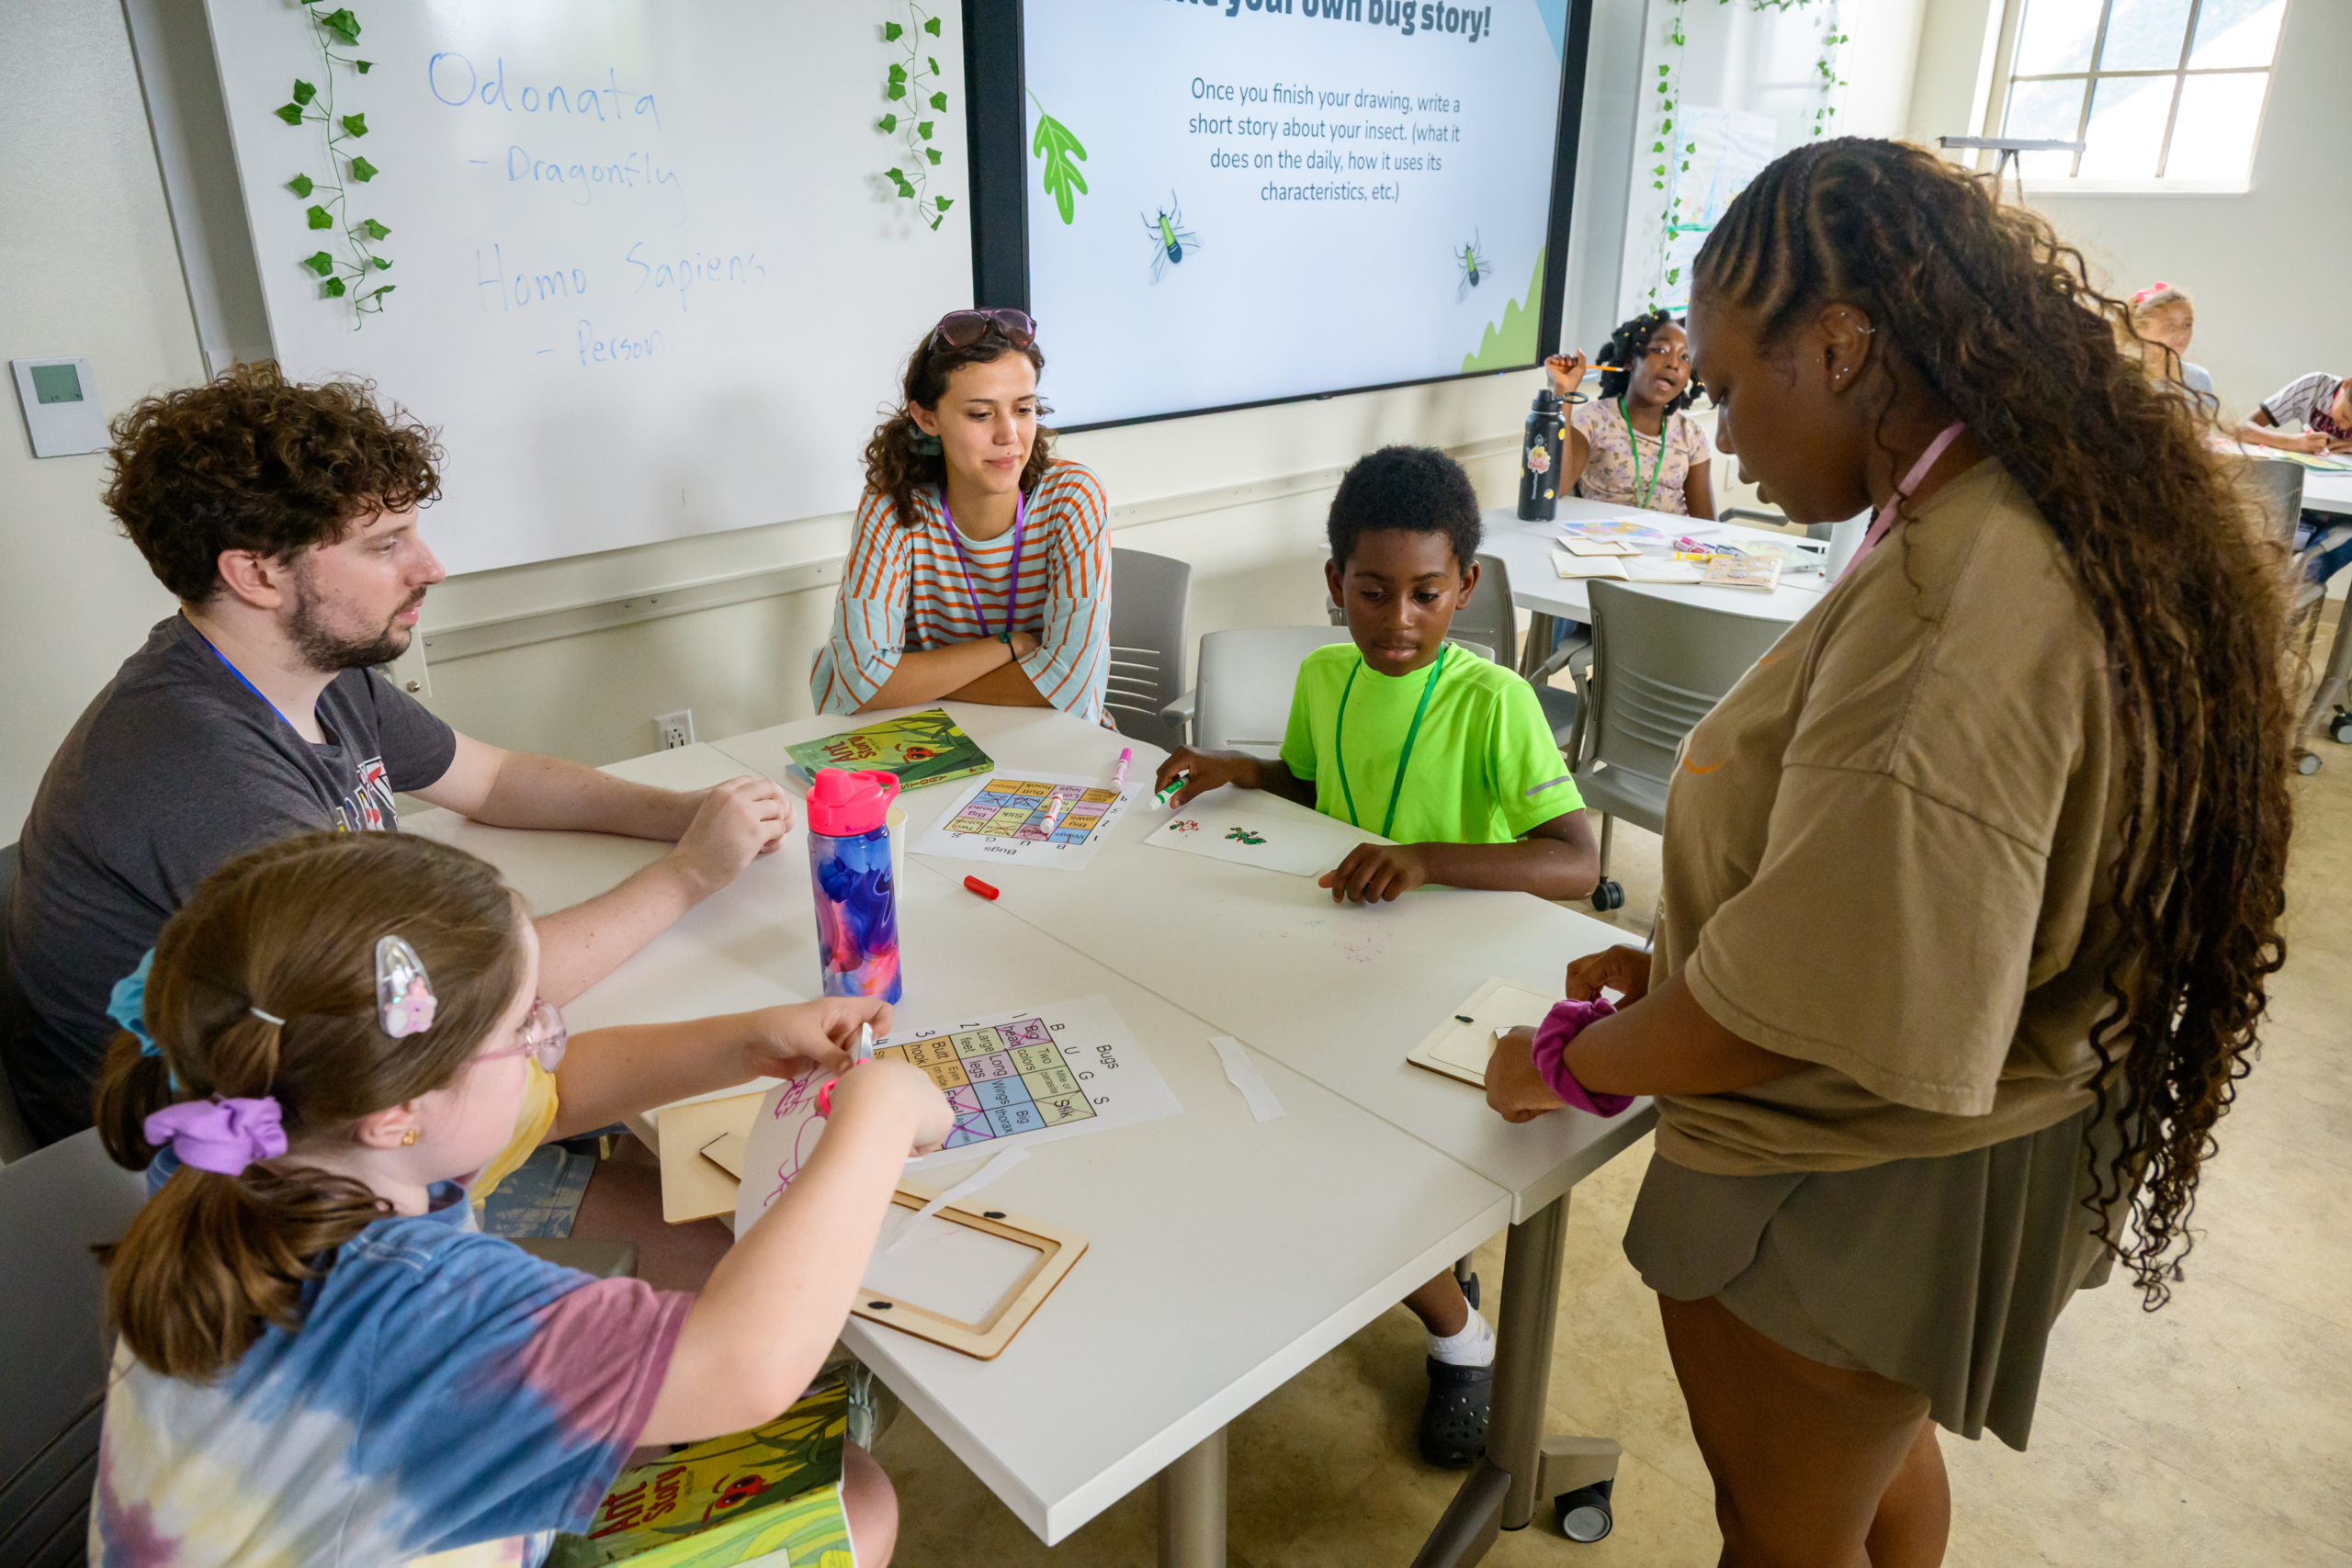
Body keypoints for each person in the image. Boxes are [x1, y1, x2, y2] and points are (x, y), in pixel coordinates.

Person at [1483, 138, 2294, 1565]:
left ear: (1844, 344)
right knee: (1863, 1476)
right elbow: (1886, 875)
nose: (1722, 437)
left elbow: (1819, 1005)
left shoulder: (1955, 595)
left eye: (1732, 389)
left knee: (1781, 1527)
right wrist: (1680, 948)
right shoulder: (1999, 502)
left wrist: (1562, 1062)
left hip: (1856, 1185)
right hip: (1963, 1139)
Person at [86, 829, 951, 1567]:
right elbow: (746, 1364)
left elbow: (552, 1096)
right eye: (522, 1028)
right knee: (853, 1500)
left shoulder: (243, 1128)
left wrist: (745, 1039)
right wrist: (876, 1116)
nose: (544, 1043)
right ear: (397, 1114)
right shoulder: (429, 1310)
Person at [2, 363, 795, 1147]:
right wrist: (691, 872)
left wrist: (677, 815)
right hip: (195, 1174)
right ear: (254, 574)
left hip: (324, 1063)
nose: (430, 567)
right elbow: (454, 997)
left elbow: (494, 779)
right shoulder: (204, 771)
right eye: (385, 545)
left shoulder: (308, 668)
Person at [1155, 445, 1600, 1466]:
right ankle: (1443, 1281)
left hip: (1458, 976)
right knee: (1271, 1108)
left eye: (1425, 594)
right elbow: (1320, 792)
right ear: (1333, 587)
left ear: (1466, 589)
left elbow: (1576, 863)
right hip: (1341, 958)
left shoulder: (1496, 703)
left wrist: (1426, 859)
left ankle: (1462, 1340)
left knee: (1341, 1160)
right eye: (1371, 592)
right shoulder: (1325, 676)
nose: (1398, 620)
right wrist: (1242, 770)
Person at [811, 310, 1113, 724]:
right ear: (927, 418)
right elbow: (858, 680)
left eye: (1023, 409)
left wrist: (913, 684)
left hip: (1052, 750)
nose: (1009, 435)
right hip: (932, 749)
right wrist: (1009, 647)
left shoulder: (1072, 497)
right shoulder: (894, 504)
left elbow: (1072, 690)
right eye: (981, 414)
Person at [1544, 309, 1717, 519]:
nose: (1673, 363)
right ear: (1630, 359)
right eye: (1660, 350)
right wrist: (1563, 390)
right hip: (1601, 543)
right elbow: (1556, 487)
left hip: (1668, 549)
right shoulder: (1593, 421)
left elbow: (1707, 525)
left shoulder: (1692, 436)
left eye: (1685, 356)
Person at [2124, 282, 2215, 406]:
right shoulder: (2126, 381)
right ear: (2139, 331)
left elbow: (2203, 423)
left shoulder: (2199, 377)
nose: (2181, 334)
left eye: (2186, 325)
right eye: (2169, 327)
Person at [2238, 368, 2352, 456]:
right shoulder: (2315, 385)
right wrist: (2291, 442)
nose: (2345, 427)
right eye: (2344, 416)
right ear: (2346, 385)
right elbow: (2241, 429)